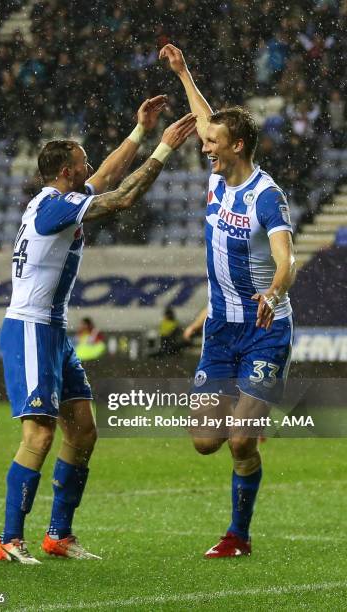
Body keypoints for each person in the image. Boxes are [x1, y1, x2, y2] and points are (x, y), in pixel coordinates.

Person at [0, 94, 197, 564]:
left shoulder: (55, 200)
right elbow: (122, 195)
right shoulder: (51, 210)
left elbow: (104, 177)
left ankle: (58, 535)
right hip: (29, 327)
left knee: (82, 431)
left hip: (54, 330)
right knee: (40, 435)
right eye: (81, 161)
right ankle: (9, 540)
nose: (89, 167)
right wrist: (163, 149)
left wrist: (140, 131)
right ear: (65, 172)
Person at [160, 44, 296, 558]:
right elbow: (202, 118)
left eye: (214, 143)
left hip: (265, 328)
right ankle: (252, 416)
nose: (204, 148)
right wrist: (182, 70)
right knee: (203, 440)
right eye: (205, 141)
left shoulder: (267, 196)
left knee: (239, 440)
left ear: (237, 145)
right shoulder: (217, 181)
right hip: (220, 329)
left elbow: (288, 260)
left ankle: (237, 535)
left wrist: (274, 289)